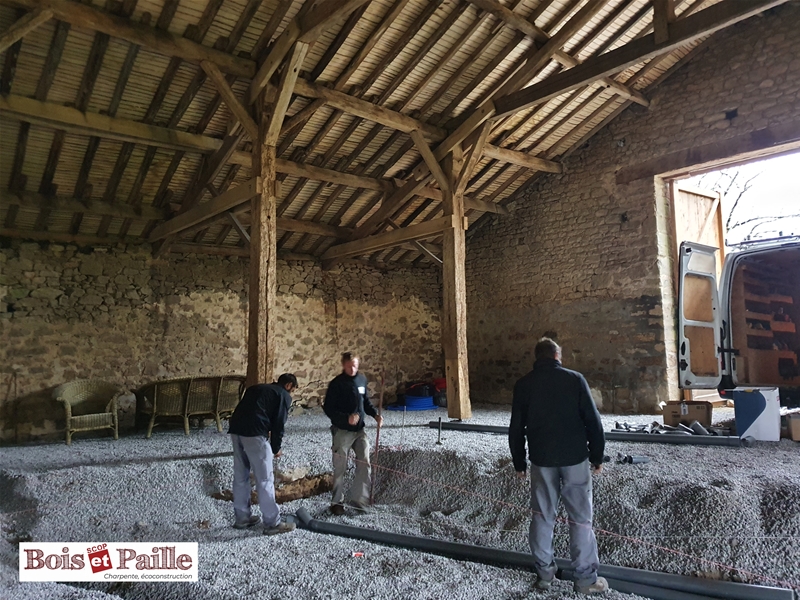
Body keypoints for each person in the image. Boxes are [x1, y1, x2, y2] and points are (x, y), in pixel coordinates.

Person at [509, 338, 608, 595]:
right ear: (557, 355)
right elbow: (593, 422)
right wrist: (597, 456)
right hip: (575, 458)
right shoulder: (575, 379)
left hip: (541, 460)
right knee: (581, 519)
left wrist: (519, 461)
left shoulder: (524, 385)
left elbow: (516, 428)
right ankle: (585, 580)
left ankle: (544, 575)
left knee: (542, 517)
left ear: (536, 357)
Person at [228, 373, 299, 535]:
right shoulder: (283, 395)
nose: (291, 394)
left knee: (240, 476)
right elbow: (278, 424)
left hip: (236, 430)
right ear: (288, 385)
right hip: (255, 434)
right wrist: (275, 448)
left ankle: (242, 518)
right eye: (292, 390)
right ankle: (272, 522)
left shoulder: (257, 388)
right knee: (265, 479)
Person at [323, 352, 383, 515]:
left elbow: (365, 402)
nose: (353, 368)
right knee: (340, 467)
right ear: (343, 365)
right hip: (342, 432)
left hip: (360, 431)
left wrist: (375, 415)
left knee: (364, 464)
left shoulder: (362, 380)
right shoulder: (336, 384)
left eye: (355, 365)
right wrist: (345, 418)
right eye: (349, 366)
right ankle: (336, 502)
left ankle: (360, 500)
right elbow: (328, 408)